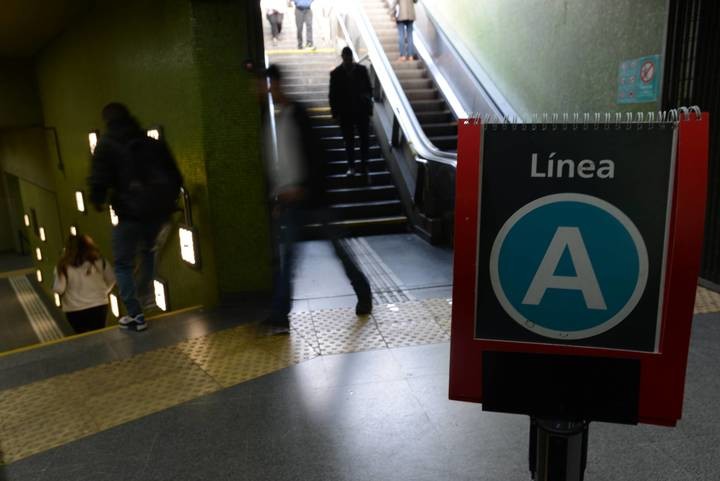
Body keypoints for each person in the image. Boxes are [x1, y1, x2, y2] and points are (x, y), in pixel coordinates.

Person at [263, 65, 372, 334]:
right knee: (289, 257)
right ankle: (279, 315)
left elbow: (318, 155)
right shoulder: (277, 118)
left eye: (268, 84)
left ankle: (363, 290)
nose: (266, 90)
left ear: (278, 84)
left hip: (315, 197)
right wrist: (279, 196)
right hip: (292, 199)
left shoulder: (299, 113)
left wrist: (305, 187)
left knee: (338, 249)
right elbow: (282, 163)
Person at [88, 102, 183, 332]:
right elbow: (176, 176)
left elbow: (98, 177)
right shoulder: (151, 142)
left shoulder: (106, 145)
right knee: (148, 251)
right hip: (157, 212)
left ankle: (135, 315)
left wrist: (97, 200)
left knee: (122, 264)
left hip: (129, 213)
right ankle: (146, 294)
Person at [53, 234, 115, 334]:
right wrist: (104, 291)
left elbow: (59, 289)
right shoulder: (101, 261)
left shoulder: (63, 266)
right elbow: (112, 279)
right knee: (100, 333)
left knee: (82, 336)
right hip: (99, 305)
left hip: (74, 309)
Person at [329, 46, 373, 177]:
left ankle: (360, 166)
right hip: (346, 112)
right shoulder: (336, 74)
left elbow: (369, 90)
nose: (348, 60)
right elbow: (333, 96)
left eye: (349, 58)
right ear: (343, 57)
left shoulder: (361, 70)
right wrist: (335, 113)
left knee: (360, 140)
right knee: (351, 140)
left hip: (360, 111)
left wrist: (368, 106)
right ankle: (355, 166)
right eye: (346, 58)